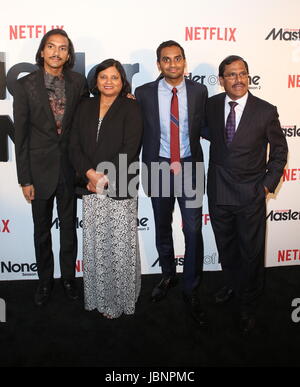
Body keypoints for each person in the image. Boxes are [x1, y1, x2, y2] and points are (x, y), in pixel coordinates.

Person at [206, 55, 288, 334]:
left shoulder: (265, 111)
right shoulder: (212, 105)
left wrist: (266, 185)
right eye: (231, 75)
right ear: (221, 80)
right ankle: (231, 284)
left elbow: (279, 152)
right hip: (218, 190)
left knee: (251, 253)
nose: (239, 79)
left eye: (243, 74)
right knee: (226, 247)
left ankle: (248, 304)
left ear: (248, 76)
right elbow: (203, 131)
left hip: (250, 195)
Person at [13, 29, 89, 307]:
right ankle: (45, 281)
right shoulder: (25, 86)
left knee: (68, 227)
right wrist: (24, 179)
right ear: (42, 51)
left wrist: (126, 98)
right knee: (41, 229)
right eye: (51, 47)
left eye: (63, 48)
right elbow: (20, 136)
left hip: (69, 169)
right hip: (39, 171)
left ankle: (68, 278)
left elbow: (91, 115)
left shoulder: (79, 82)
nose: (57, 53)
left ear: (69, 54)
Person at [135, 41, 208, 326]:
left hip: (189, 166)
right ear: (159, 64)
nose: (173, 64)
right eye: (167, 60)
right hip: (159, 166)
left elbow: (205, 125)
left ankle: (191, 288)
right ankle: (168, 275)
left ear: (184, 61)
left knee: (192, 228)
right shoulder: (143, 93)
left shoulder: (200, 91)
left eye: (178, 59)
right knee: (162, 224)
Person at [69, 59, 143, 319]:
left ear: (123, 81)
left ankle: (121, 299)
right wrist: (89, 174)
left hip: (121, 184)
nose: (109, 81)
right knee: (97, 245)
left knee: (120, 245)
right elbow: (73, 144)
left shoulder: (131, 108)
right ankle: (98, 298)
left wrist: (103, 178)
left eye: (114, 77)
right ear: (96, 81)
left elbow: (130, 148)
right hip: (90, 186)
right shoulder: (84, 106)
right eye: (103, 77)